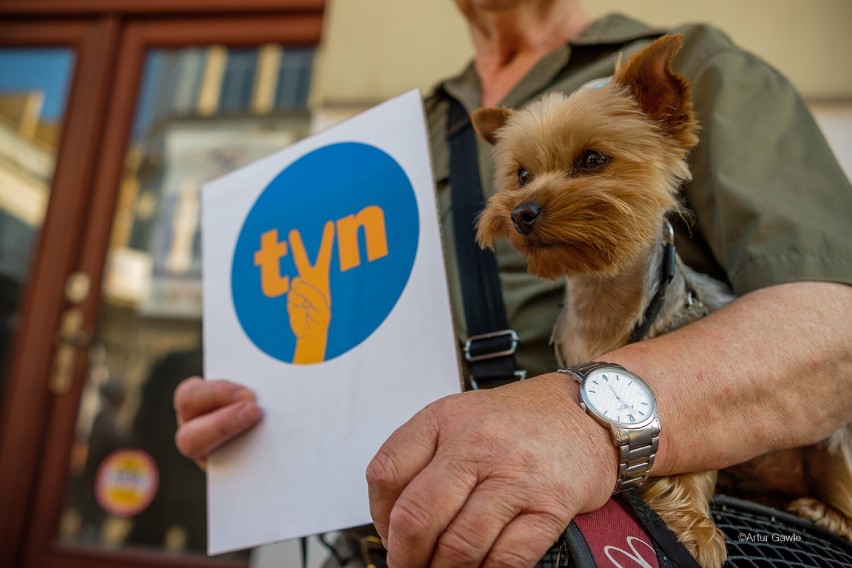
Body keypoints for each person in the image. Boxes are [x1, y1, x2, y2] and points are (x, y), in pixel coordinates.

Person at [175, 1, 852, 566]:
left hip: (616, 537)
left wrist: (588, 417)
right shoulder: (407, 130)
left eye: (588, 161)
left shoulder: (694, 66)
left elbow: (833, 326)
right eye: (522, 177)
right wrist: (276, 435)